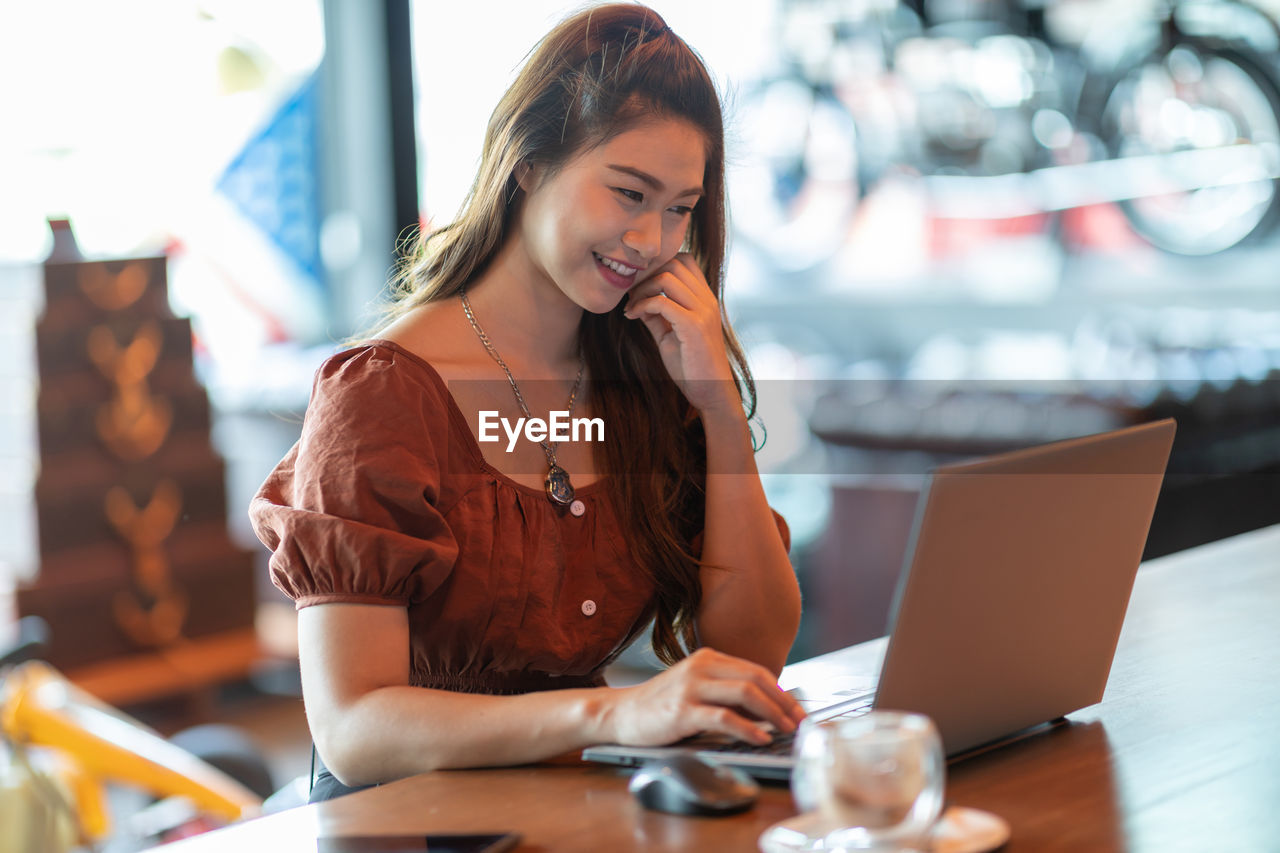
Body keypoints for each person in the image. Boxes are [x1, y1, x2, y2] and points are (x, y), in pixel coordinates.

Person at [250, 2, 805, 802]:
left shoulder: (644, 367)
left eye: (680, 208)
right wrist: (611, 714)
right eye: (628, 193)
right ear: (529, 163)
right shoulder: (382, 391)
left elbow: (755, 650)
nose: (652, 240)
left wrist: (718, 407)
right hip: (410, 821)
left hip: (578, 807)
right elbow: (353, 728)